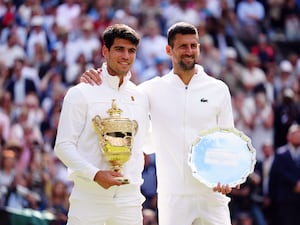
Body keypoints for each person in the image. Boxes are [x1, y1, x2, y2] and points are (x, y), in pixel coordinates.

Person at [81, 22, 238, 225]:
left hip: (212, 195)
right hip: (172, 198)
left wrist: (229, 176)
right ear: (168, 50)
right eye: (183, 46)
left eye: (193, 45)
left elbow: (229, 140)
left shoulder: (218, 89)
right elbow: (117, 93)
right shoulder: (150, 89)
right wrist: (95, 79)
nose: (189, 51)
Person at [54, 24, 150, 225]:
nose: (125, 56)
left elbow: (144, 146)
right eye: (119, 49)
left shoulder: (140, 96)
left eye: (131, 51)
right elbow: (63, 146)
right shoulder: (81, 92)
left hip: (129, 199)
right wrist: (95, 175)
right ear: (105, 51)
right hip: (89, 197)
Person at [269, 123, 300, 225]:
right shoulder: (281, 154)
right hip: (285, 200)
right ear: (288, 136)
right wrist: (295, 183)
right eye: (295, 133)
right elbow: (277, 174)